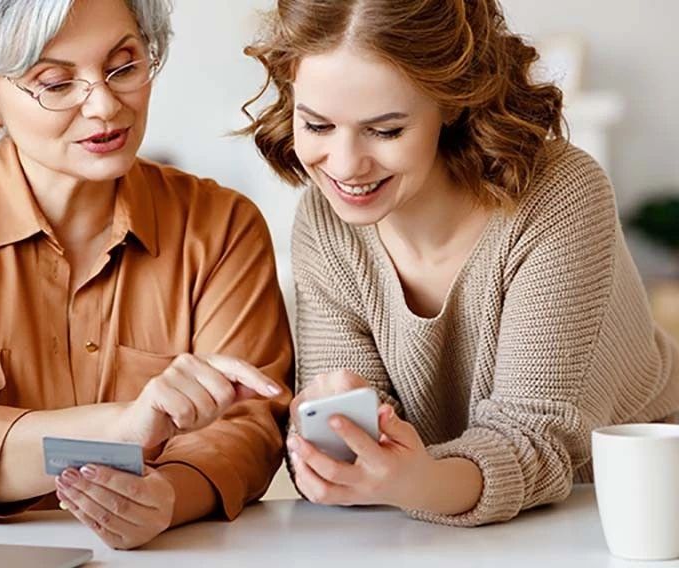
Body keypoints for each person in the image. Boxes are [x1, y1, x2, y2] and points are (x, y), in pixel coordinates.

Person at [0, 0, 294, 550]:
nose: (104, 105)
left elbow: (250, 422)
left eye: (124, 66)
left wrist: (169, 496)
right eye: (56, 83)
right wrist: (123, 428)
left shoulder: (221, 226)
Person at [240, 0, 679, 527]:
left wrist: (411, 479)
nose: (345, 165)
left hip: (626, 506)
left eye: (385, 130)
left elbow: (535, 442)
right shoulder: (325, 221)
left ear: (451, 102)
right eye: (317, 125)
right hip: (433, 521)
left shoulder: (559, 197)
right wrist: (343, 431)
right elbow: (359, 462)